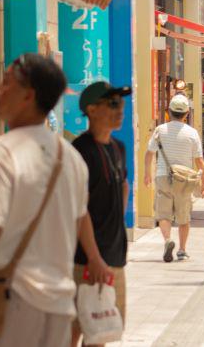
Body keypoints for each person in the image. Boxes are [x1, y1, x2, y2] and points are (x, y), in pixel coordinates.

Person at [0, 54, 109, 347]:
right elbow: (79, 219)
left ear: (28, 96)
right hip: (60, 305)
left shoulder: (0, 153)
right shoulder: (70, 157)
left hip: (9, 301)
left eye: (6, 84)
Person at [71, 80, 132, 347]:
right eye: (113, 104)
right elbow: (78, 209)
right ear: (92, 110)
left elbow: (124, 185)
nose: (120, 110)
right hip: (86, 260)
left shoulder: (118, 148)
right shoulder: (80, 150)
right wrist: (94, 257)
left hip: (115, 256)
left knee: (102, 331)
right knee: (74, 330)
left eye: (121, 103)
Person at [144, 94, 204, 262]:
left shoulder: (160, 130)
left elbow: (149, 153)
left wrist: (146, 174)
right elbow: (199, 160)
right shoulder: (192, 133)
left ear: (169, 112)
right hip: (184, 180)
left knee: (163, 214)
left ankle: (167, 240)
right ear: (186, 113)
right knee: (183, 216)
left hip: (163, 176)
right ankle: (181, 250)